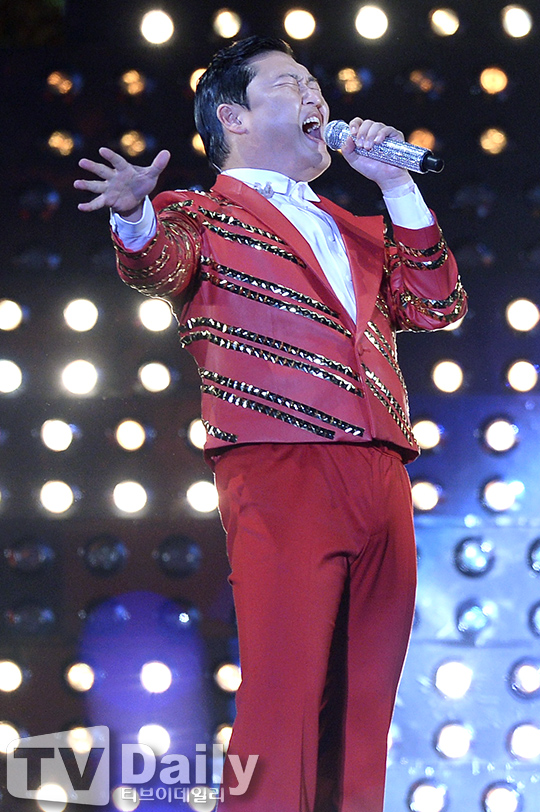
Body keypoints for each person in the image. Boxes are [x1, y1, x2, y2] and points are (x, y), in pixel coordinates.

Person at [75, 35, 466, 812]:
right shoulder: (200, 213)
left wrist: (396, 186)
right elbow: (159, 262)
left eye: (316, 83)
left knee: (364, 701)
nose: (316, 96)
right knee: (283, 696)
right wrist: (133, 216)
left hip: (382, 466)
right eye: (291, 85)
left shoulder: (355, 228)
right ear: (235, 118)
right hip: (280, 462)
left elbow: (437, 306)